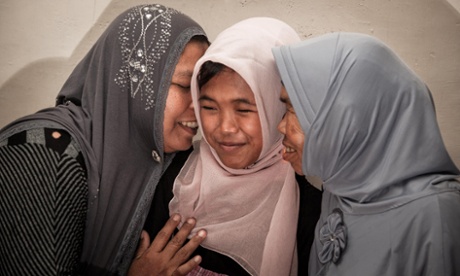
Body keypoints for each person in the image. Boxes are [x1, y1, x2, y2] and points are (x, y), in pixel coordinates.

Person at [0, 4, 210, 275]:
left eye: (203, 90)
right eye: (185, 85)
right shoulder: (43, 156)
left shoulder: (156, 165)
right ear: (138, 85)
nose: (200, 104)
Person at [142, 17, 322, 275]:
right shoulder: (170, 179)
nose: (225, 127)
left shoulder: (309, 213)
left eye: (244, 109)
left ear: (278, 107)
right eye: (209, 107)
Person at [273, 32, 460, 275]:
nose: (280, 127)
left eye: (294, 110)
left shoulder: (435, 218)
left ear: (349, 118)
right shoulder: (341, 185)